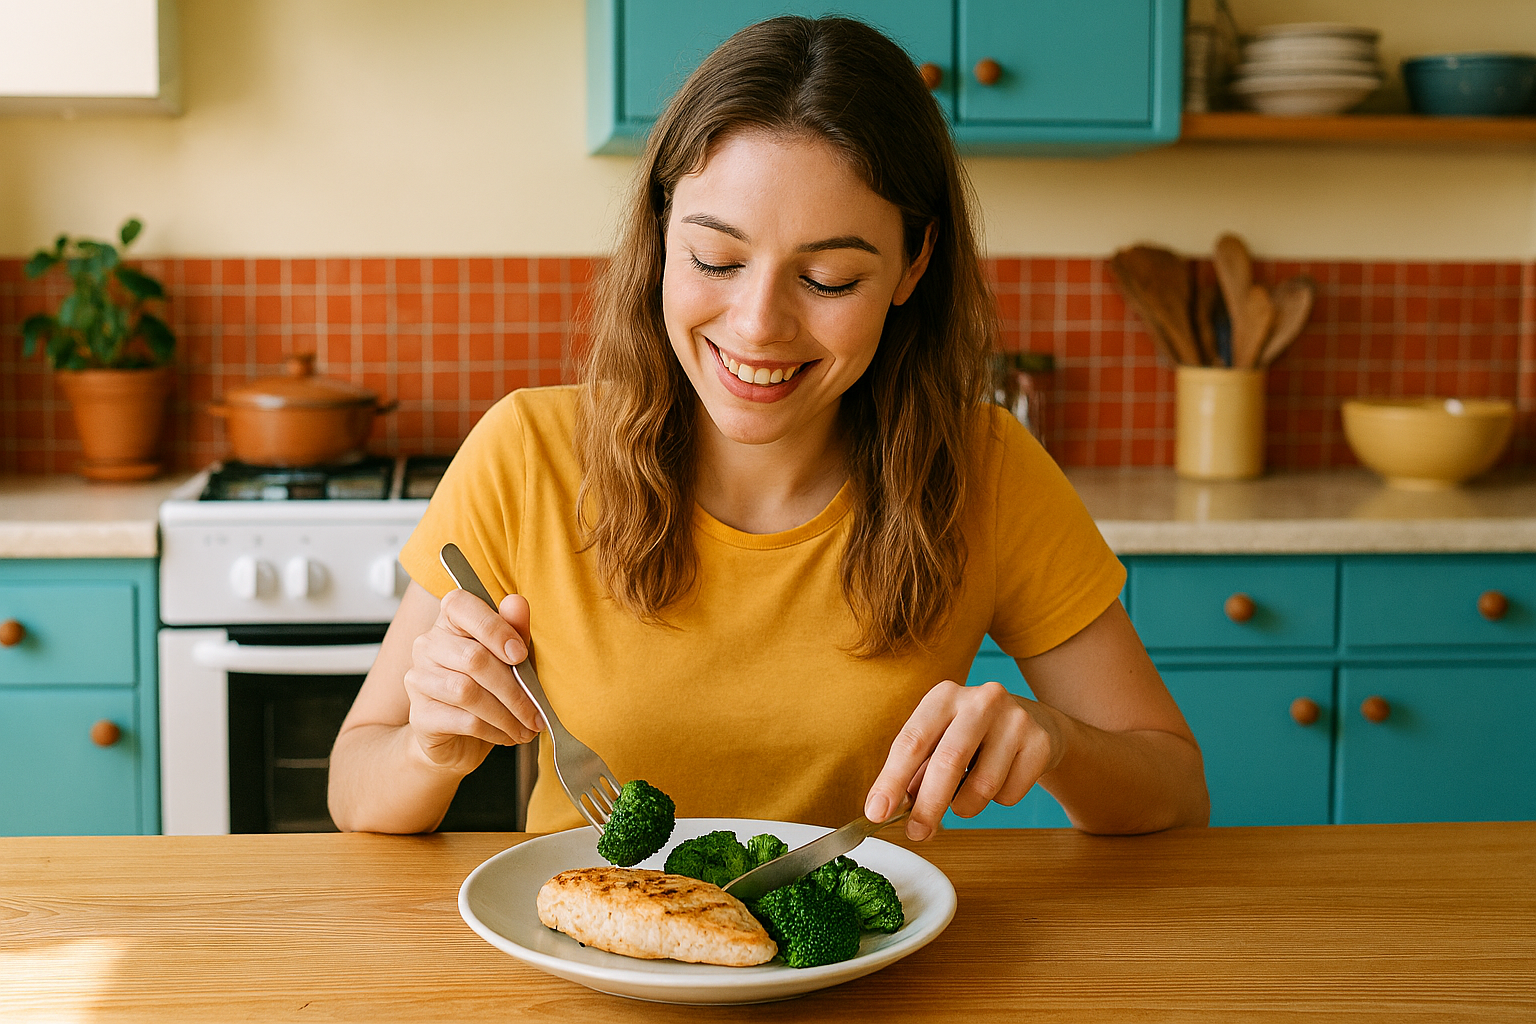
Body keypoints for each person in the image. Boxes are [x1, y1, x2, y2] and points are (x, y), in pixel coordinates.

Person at [328, 16, 1209, 840]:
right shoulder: (527, 451)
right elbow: (354, 784)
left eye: (828, 279)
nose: (757, 327)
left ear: (913, 265)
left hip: (878, 986)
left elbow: (1176, 790)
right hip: (590, 973)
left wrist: (1054, 738)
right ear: (662, 233)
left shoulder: (986, 467)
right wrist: (427, 750)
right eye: (716, 259)